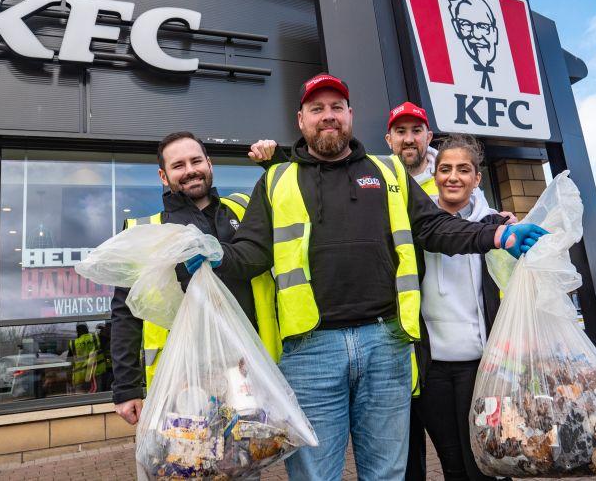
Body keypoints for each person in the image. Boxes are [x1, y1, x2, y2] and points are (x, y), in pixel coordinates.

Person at [188, 73, 546, 480]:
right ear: (301, 119)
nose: (328, 116)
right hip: (310, 352)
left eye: (336, 107)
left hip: (386, 344)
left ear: (350, 116)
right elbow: (251, 254)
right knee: (315, 475)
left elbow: (434, 227)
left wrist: (496, 233)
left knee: (387, 474)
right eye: (317, 108)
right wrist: (214, 257)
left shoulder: (389, 172)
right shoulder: (275, 180)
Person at [109, 132, 279, 428]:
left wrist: (276, 163)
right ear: (164, 176)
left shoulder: (242, 211)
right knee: (189, 465)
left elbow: (293, 201)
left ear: (209, 164)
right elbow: (125, 313)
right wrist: (126, 388)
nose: (190, 170)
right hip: (183, 380)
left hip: (247, 372)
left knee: (246, 464)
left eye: (196, 160)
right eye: (178, 165)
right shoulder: (147, 231)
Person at [412, 134, 511, 481]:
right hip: (432, 368)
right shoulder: (416, 226)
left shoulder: (497, 227)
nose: (453, 177)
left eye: (463, 169)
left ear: (477, 178)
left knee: (487, 461)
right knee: (452, 464)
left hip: (480, 365)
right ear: (434, 175)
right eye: (445, 169)